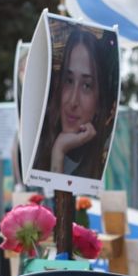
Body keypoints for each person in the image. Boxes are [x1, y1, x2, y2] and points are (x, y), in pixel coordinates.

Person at [33, 25, 117, 179]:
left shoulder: (107, 165)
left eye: (87, 86)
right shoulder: (37, 145)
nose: (73, 101)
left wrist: (59, 149)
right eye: (69, 81)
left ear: (99, 102)